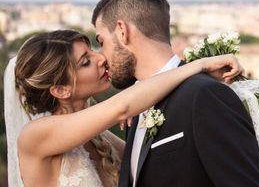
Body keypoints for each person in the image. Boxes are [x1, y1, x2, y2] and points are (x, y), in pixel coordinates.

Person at [5, 29, 244, 187]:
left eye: (92, 51)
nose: (100, 59)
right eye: (85, 62)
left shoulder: (101, 138)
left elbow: (150, 165)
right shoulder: (35, 136)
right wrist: (198, 67)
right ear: (61, 90)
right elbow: (122, 106)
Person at [92, 0, 259, 187]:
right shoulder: (135, 109)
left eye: (101, 42)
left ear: (122, 31)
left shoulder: (205, 95)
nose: (101, 57)